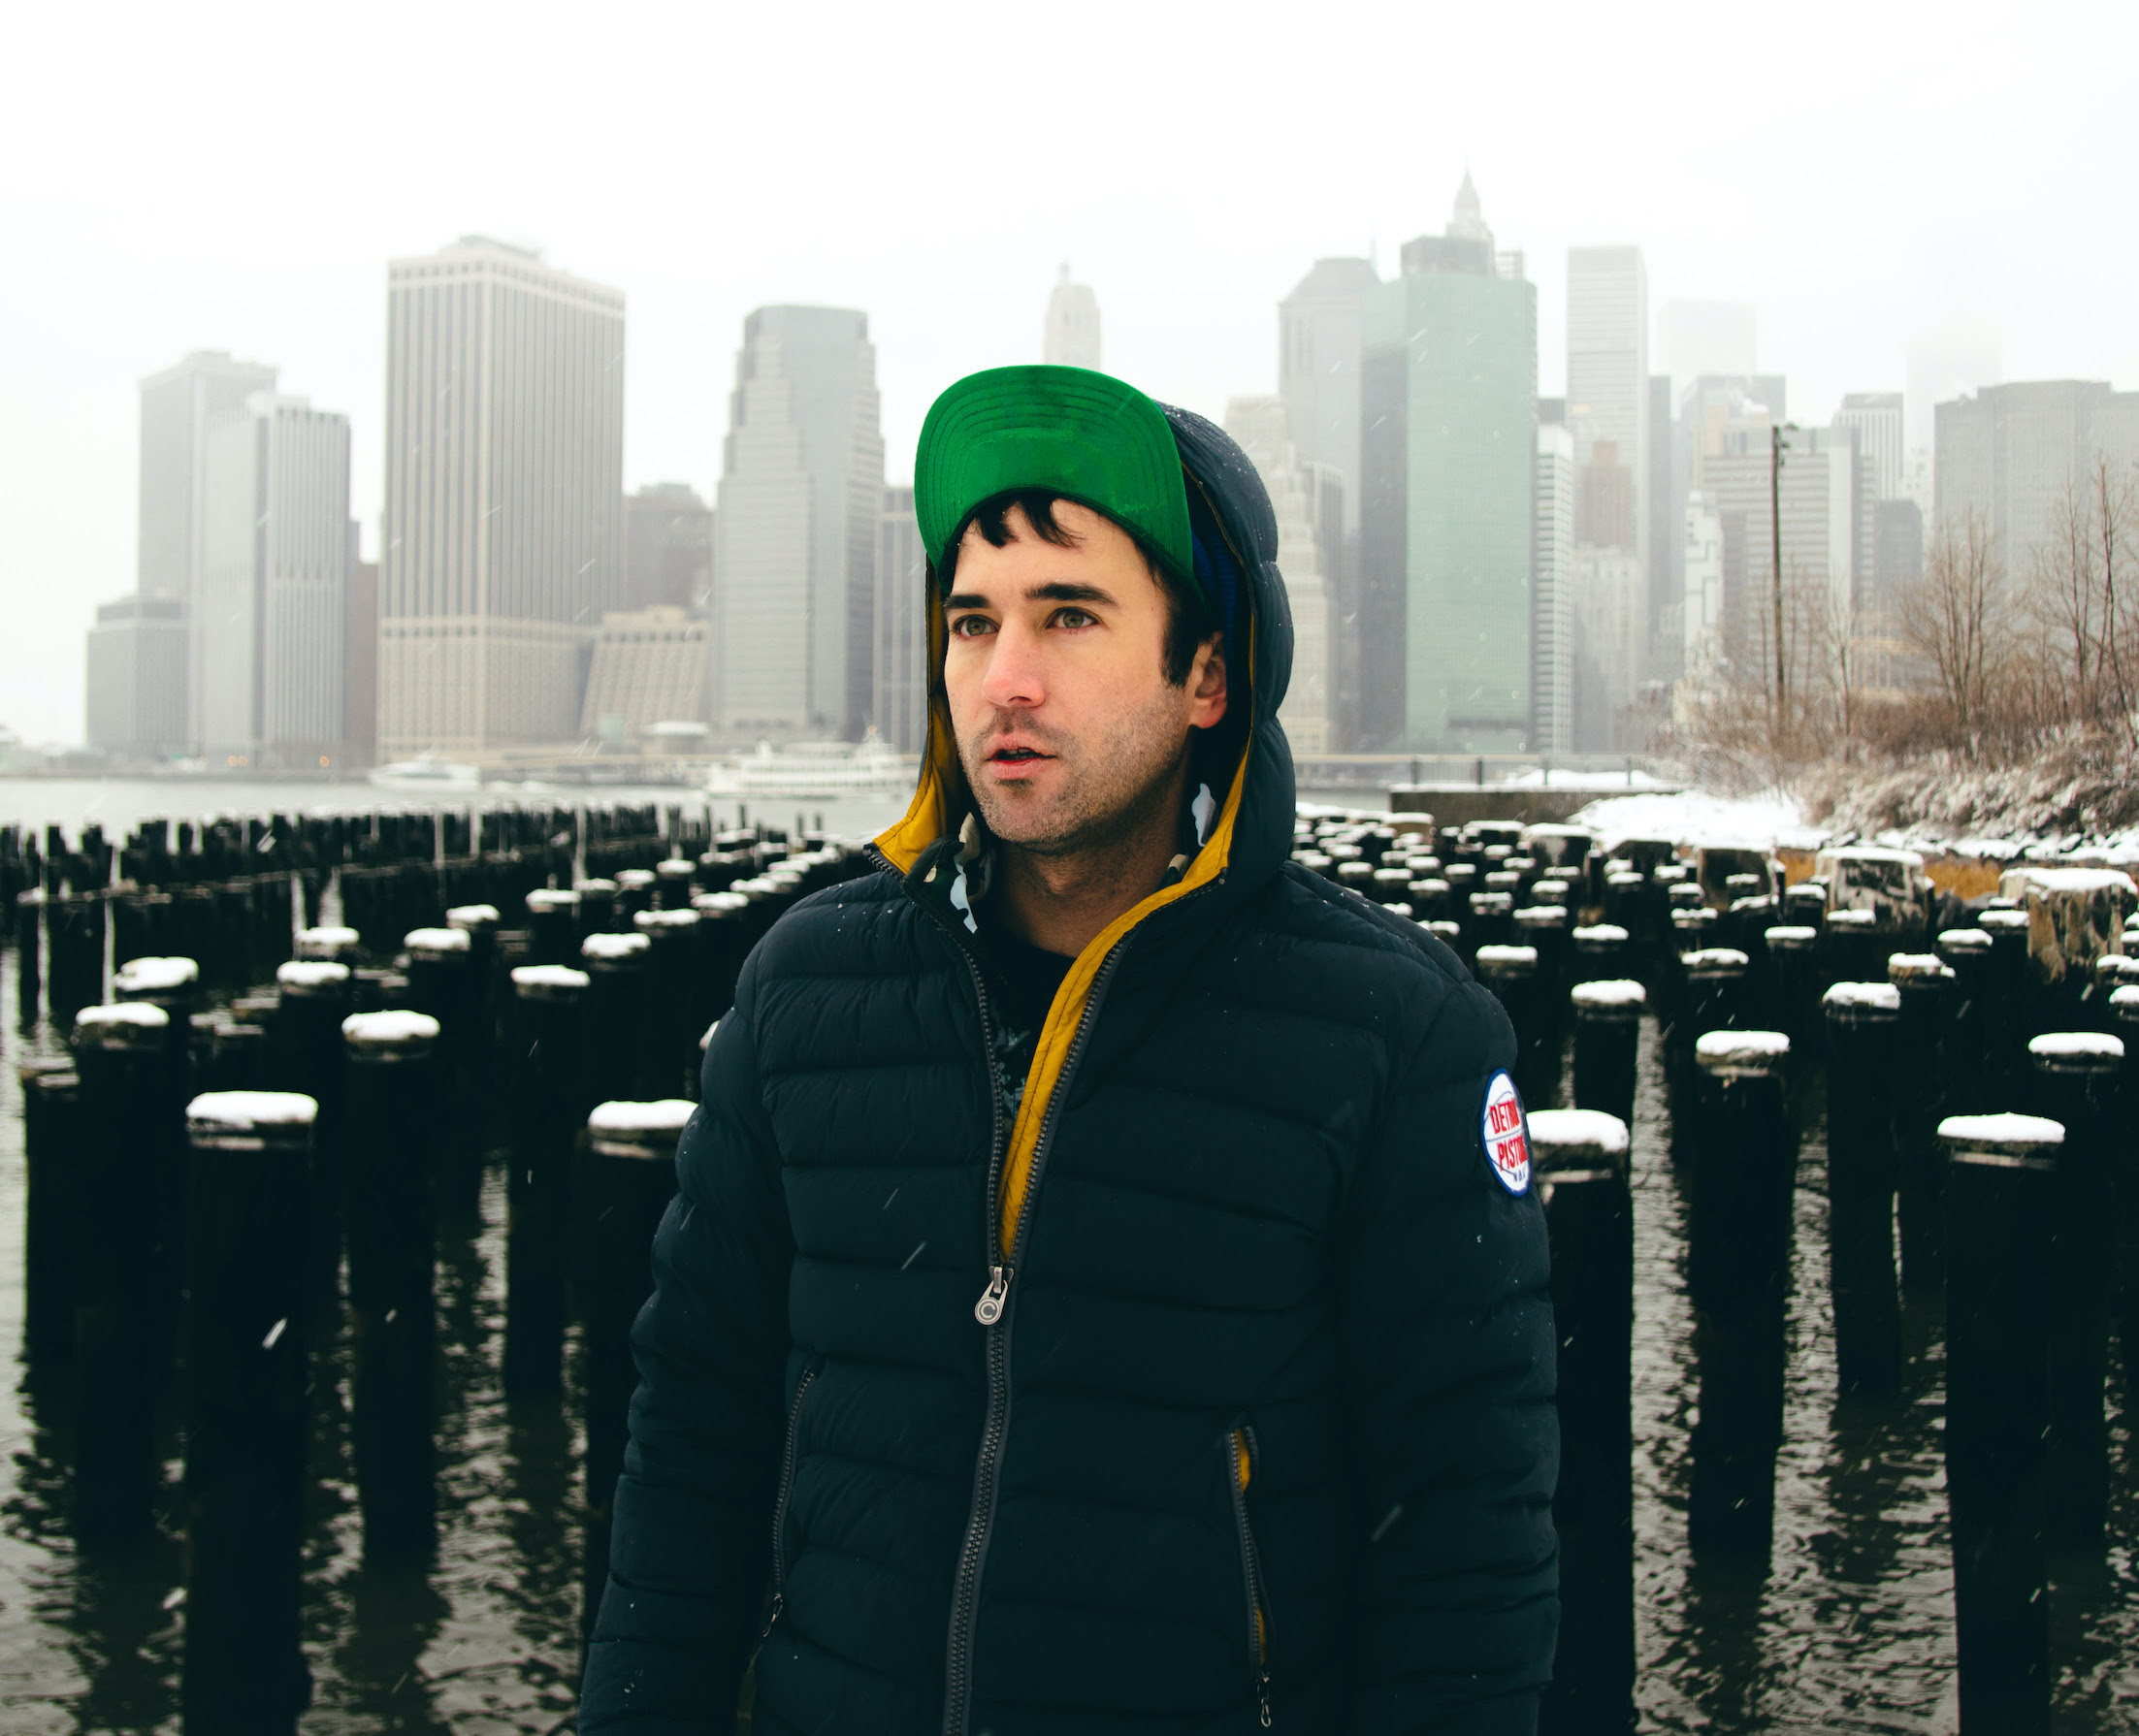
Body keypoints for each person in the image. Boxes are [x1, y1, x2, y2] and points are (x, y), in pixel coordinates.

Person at [579, 366, 1558, 1734]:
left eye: (1070, 616)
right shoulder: (805, 994)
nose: (1006, 681)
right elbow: (690, 1455)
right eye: (972, 623)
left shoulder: (1399, 1036)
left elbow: (1469, 1547)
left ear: (1207, 674)